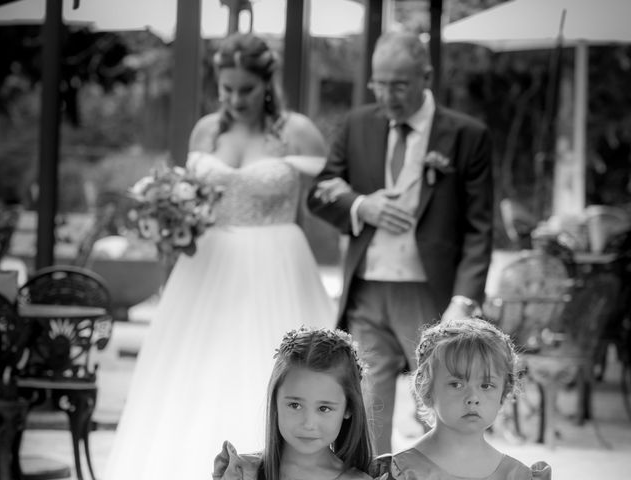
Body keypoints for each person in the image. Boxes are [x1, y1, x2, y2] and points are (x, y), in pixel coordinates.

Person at [104, 33, 336, 479]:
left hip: (276, 264)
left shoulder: (297, 131)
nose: (233, 99)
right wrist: (173, 216)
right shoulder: (207, 130)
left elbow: (331, 197)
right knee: (194, 372)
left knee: (275, 369)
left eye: (244, 89)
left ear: (267, 83)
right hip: (206, 268)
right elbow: (190, 194)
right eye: (225, 88)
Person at [307, 30, 494, 454]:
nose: (387, 94)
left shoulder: (467, 135)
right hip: (368, 292)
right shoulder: (358, 125)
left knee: (448, 402)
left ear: (426, 76)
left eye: (399, 84)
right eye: (379, 83)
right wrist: (360, 206)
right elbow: (319, 192)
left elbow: (480, 229)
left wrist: (463, 302)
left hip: (430, 293)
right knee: (368, 407)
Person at [373, 316, 552, 480]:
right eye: (457, 384)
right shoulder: (400, 472)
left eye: (486, 386)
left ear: (503, 394)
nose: (473, 398)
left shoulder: (517, 476)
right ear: (425, 388)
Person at [213, 326, 373, 480]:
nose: (308, 424)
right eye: (295, 405)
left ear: (348, 408)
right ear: (275, 401)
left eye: (324, 408)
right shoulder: (241, 473)